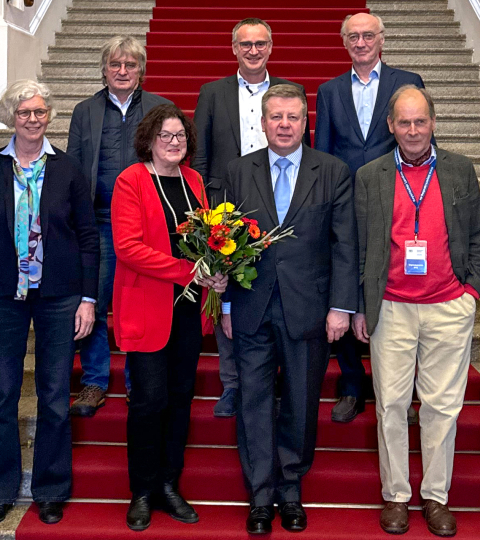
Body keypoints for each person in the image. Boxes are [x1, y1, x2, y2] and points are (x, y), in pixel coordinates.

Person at [0, 79, 99, 527]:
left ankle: (51, 490)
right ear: (10, 118)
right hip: (0, 297)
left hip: (60, 296)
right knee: (1, 396)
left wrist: (88, 299)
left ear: (49, 116)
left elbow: (89, 239)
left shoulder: (68, 168)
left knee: (55, 396)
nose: (33, 119)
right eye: (24, 113)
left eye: (40, 112)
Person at [352, 85, 480, 537]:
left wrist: (471, 291)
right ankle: (395, 496)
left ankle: (435, 497)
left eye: (421, 121)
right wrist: (359, 308)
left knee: (442, 407)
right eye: (404, 122)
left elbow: (477, 237)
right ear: (390, 126)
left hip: (448, 306)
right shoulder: (370, 175)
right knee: (390, 404)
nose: (413, 130)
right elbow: (357, 247)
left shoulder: (459, 170)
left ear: (433, 123)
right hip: (391, 307)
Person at [221, 84, 357, 534]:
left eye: (293, 117)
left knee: (300, 402)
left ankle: (291, 491)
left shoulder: (333, 171)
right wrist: (223, 300)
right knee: (254, 402)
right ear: (262, 122)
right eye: (275, 117)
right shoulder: (237, 171)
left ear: (305, 122)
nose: (284, 125)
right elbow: (224, 244)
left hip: (310, 309)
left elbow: (344, 245)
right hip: (250, 306)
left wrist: (341, 307)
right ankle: (260, 496)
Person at [112, 103, 228, 531]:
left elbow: (207, 240)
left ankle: (168, 484)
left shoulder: (194, 181)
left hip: (187, 314)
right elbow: (128, 247)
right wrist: (189, 272)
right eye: (166, 136)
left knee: (179, 401)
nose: (174, 142)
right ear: (149, 139)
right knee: (148, 402)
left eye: (180, 136)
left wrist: (216, 271)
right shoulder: (131, 180)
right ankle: (142, 491)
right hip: (147, 309)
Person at [191, 17, 310, 418]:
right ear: (234, 49)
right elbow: (202, 155)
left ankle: (274, 379)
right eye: (246, 44)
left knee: (280, 292)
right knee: (229, 292)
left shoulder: (288, 94)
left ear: (271, 47)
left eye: (261, 43)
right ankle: (233, 383)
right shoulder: (212, 93)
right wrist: (211, 212)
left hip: (283, 205)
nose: (254, 50)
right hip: (231, 209)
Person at [314, 12, 431, 423]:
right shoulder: (329, 92)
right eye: (353, 36)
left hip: (398, 200)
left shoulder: (407, 81)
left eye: (368, 35)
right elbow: (323, 154)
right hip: (346, 203)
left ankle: (401, 390)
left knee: (398, 292)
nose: (361, 42)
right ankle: (350, 385)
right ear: (344, 42)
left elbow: (421, 138)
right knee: (345, 285)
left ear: (382, 39)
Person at [66, 36, 172, 416]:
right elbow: (75, 168)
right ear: (104, 69)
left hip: (147, 226)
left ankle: (135, 380)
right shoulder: (84, 111)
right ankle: (94, 380)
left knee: (138, 305)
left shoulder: (161, 109)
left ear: (141, 69)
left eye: (130, 65)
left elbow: (174, 160)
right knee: (92, 299)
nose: (123, 71)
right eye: (115, 64)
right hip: (98, 222)